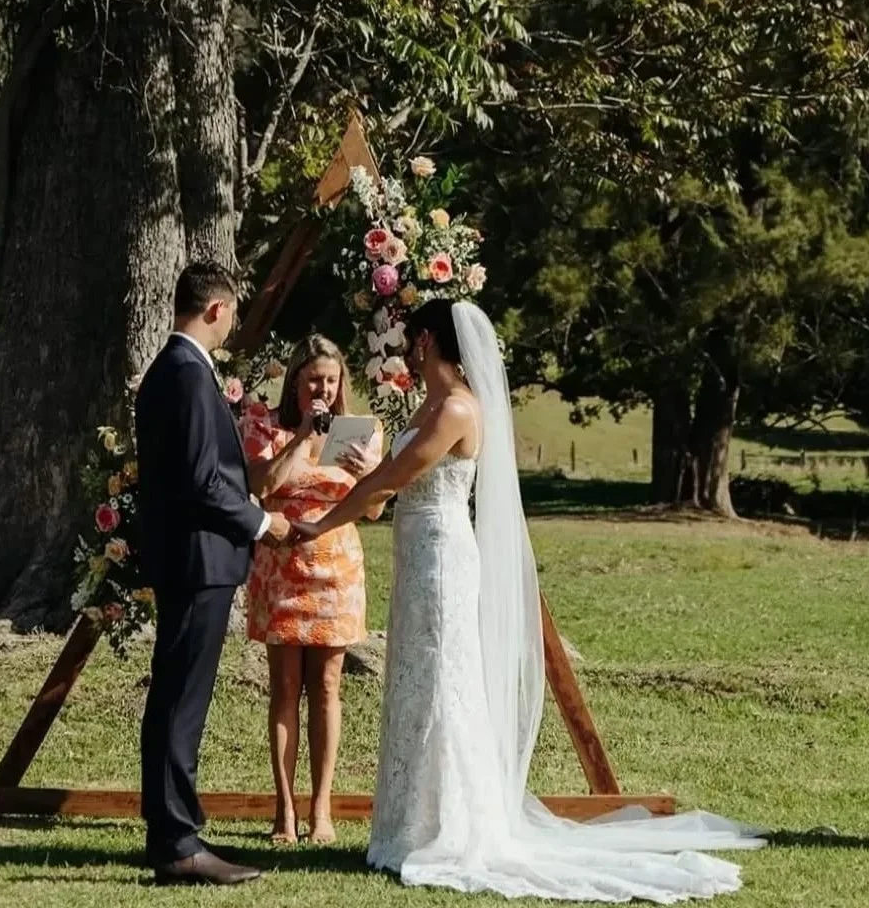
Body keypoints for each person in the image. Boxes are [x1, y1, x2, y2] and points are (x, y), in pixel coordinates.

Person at [291, 298, 765, 902]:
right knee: (415, 677)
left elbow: (389, 481)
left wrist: (323, 521)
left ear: (430, 342)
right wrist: (366, 471)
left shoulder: (459, 408)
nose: (409, 348)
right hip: (415, 550)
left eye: (415, 339)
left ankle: (449, 828)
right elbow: (385, 489)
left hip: (441, 554)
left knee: (441, 678)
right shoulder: (426, 406)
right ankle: (409, 822)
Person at [136, 261, 291, 886]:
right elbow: (203, 481)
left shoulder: (170, 371)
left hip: (188, 557)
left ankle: (173, 829)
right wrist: (261, 524)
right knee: (180, 701)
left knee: (176, 695)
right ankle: (177, 843)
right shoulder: (188, 375)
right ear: (217, 309)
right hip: (198, 560)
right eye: (230, 317)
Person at [241, 334, 384, 846]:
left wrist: (367, 474)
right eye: (312, 381)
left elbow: (373, 510)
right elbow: (259, 487)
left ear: (342, 381)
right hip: (281, 567)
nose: (322, 389)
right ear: (295, 383)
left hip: (336, 570)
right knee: (284, 689)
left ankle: (321, 809)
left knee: (326, 687)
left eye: (330, 379)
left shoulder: (363, 432)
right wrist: (302, 437)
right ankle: (284, 810)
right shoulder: (265, 426)